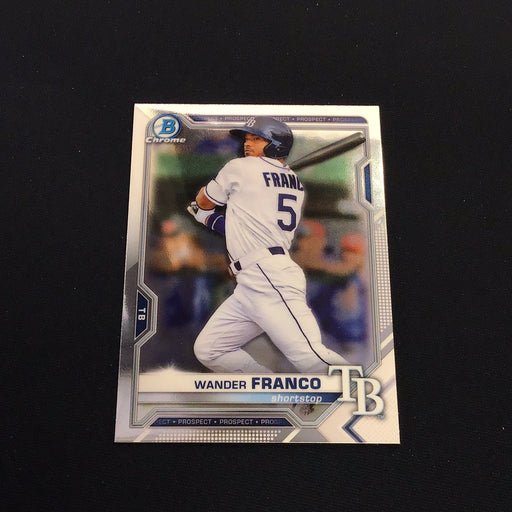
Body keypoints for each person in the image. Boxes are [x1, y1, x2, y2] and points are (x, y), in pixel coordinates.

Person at [186, 116, 349, 373]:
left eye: (256, 139)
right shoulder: (295, 183)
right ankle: (268, 388)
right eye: (247, 139)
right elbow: (242, 228)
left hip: (267, 275)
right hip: (254, 278)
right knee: (210, 349)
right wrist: (204, 218)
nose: (247, 144)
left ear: (276, 145)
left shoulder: (240, 167)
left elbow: (205, 201)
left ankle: (359, 390)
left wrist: (201, 207)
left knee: (309, 355)